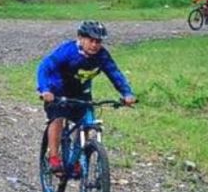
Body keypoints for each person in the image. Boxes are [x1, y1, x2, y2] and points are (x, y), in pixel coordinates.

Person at [36, 21, 135, 176]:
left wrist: (127, 93)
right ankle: (54, 158)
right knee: (57, 118)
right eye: (91, 40)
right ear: (80, 38)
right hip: (57, 92)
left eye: (98, 41)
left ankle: (76, 160)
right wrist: (45, 90)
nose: (95, 45)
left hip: (81, 92)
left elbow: (114, 73)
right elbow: (45, 68)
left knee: (87, 123)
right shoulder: (67, 52)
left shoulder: (102, 56)